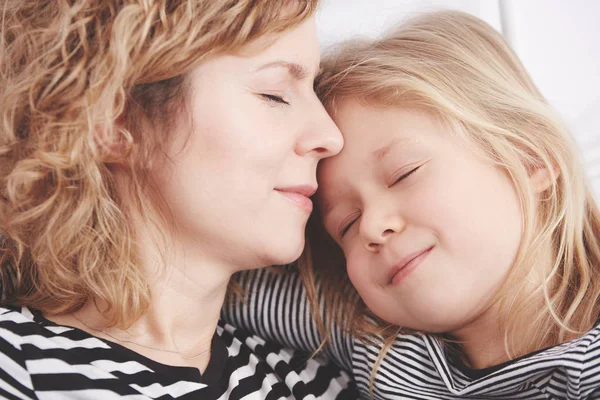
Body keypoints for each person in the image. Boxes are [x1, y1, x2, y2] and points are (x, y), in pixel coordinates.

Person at [223, 10, 600, 399]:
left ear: (528, 157)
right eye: (346, 226)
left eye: (404, 174)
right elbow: (212, 280)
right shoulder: (374, 343)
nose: (371, 226)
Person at [0, 1, 358, 398]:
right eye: (274, 94)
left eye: (315, 91)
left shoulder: (321, 383)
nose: (331, 136)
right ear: (115, 119)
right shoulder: (17, 368)